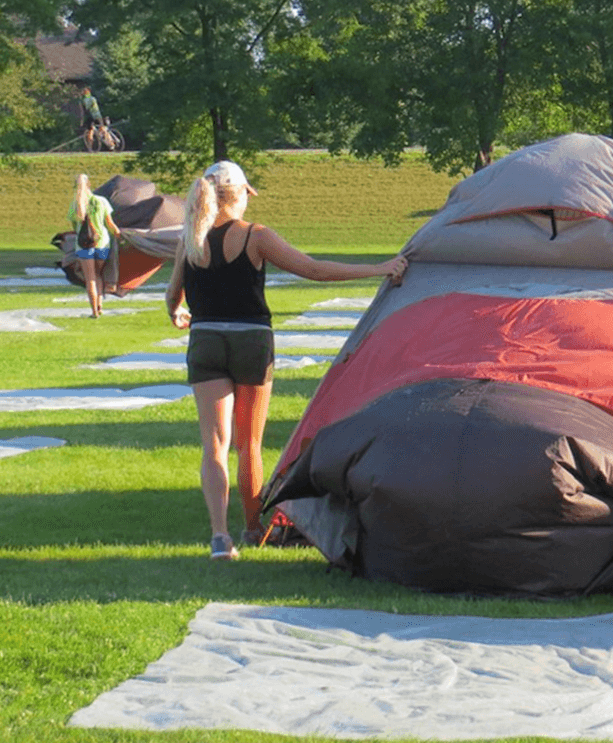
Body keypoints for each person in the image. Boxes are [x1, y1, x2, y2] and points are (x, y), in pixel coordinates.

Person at [165, 160, 408, 561]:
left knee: (214, 445)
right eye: (246, 193)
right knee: (250, 444)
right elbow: (313, 270)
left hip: (205, 339)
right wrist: (378, 269)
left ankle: (219, 536)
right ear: (240, 193)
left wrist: (177, 312)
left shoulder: (190, 237)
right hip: (252, 342)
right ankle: (253, 527)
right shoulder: (255, 236)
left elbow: (175, 295)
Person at [69, 174, 121, 318]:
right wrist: (118, 234)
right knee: (99, 275)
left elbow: (75, 227)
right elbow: (110, 224)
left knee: (90, 278)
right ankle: (100, 306)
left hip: (84, 246)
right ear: (90, 184)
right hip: (102, 243)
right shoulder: (101, 201)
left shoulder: (75, 204)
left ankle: (94, 312)